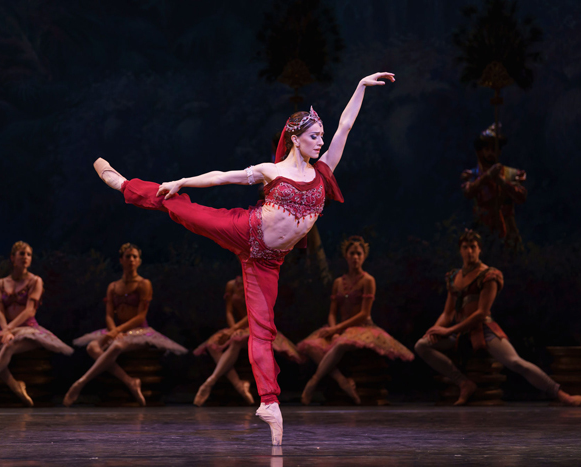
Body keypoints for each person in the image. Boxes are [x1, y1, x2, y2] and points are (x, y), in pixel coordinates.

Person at [93, 71, 395, 445]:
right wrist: (183, 181)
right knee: (182, 209)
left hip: (267, 262)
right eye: (314, 136)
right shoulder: (273, 171)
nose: (320, 142)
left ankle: (269, 402)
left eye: (320, 136)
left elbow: (346, 127)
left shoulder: (323, 172)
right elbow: (223, 178)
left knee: (263, 330)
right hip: (243, 228)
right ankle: (125, 185)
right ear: (295, 139)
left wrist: (360, 87)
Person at [414, 229, 581, 406]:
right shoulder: (453, 277)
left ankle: (561, 394)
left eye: (473, 247)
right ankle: (463, 383)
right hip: (459, 333)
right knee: (422, 345)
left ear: (480, 249)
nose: (469, 251)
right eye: (465, 247)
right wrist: (435, 330)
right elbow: (447, 313)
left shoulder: (489, 275)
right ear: (460, 250)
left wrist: (448, 330)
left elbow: (480, 313)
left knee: (516, 362)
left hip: (483, 330)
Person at [63, 243, 187, 407]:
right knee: (92, 347)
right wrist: (113, 330)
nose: (131, 260)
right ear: (121, 260)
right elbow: (109, 314)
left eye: (135, 257)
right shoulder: (113, 286)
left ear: (140, 261)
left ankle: (80, 383)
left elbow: (141, 315)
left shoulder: (144, 284)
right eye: (128, 256)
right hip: (117, 330)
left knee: (115, 346)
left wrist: (118, 331)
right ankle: (130, 381)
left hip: (138, 330)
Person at [299, 236, 413, 405]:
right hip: (341, 327)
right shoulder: (338, 282)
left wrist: (337, 329)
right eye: (352, 253)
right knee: (311, 346)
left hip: (362, 328)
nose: (355, 257)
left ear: (364, 256)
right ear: (346, 256)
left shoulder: (368, 280)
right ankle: (342, 380)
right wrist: (333, 329)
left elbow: (364, 314)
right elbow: (332, 312)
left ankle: (313, 382)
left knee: (341, 344)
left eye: (359, 254)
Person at [0, 241, 73, 408]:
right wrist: (4, 329)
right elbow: (0, 310)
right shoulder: (1, 283)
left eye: (29, 254)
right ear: (12, 258)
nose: (26, 257)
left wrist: (9, 329)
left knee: (10, 344)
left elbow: (30, 311)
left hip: (28, 329)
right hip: (6, 327)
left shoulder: (35, 280)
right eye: (22, 254)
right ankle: (15, 385)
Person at [193, 272, 303, 406]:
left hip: (257, 326)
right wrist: (232, 329)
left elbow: (253, 312)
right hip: (238, 327)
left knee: (236, 341)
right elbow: (229, 311)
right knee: (212, 345)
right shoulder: (231, 284)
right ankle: (240, 386)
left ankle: (209, 382)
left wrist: (234, 331)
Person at [461, 124, 527, 250]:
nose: (491, 153)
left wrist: (502, 182)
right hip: (483, 231)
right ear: (482, 151)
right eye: (487, 149)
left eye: (494, 149)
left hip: (508, 232)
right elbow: (468, 192)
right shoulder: (472, 174)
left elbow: (521, 197)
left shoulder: (511, 173)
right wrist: (488, 176)